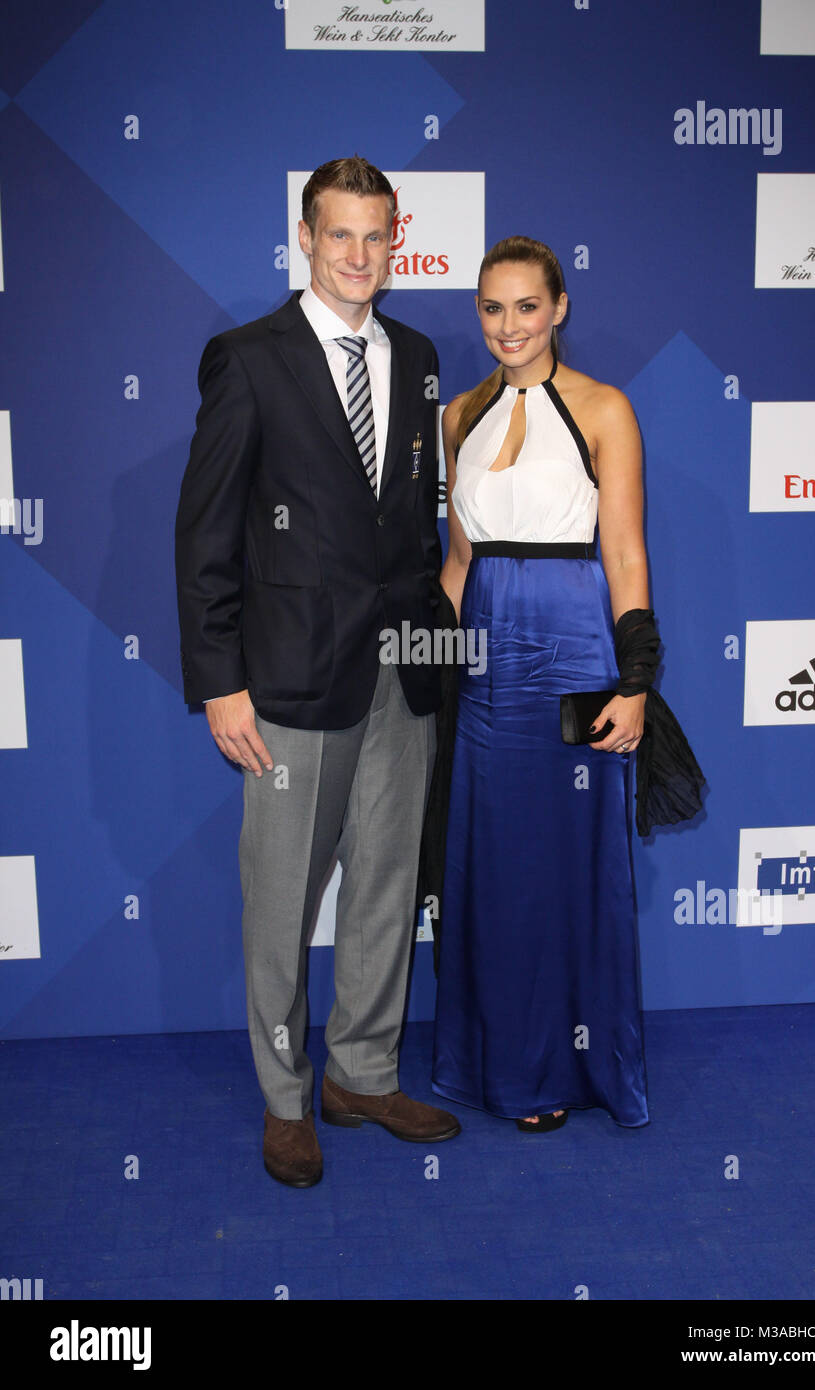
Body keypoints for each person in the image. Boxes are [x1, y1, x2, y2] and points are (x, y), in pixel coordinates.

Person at [175, 156, 460, 1188]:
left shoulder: (420, 354)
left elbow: (416, 529)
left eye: (375, 234)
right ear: (304, 236)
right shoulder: (248, 359)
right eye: (338, 234)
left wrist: (437, 650)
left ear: (397, 238)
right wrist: (220, 679)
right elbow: (204, 533)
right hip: (289, 681)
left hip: (404, 672)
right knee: (282, 900)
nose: (357, 255)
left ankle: (363, 1072)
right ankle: (289, 1097)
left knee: (387, 882)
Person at [432, 235, 652, 1133]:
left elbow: (627, 554)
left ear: (559, 307)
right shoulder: (457, 417)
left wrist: (634, 682)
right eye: (491, 307)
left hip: (571, 653)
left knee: (565, 864)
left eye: (526, 306)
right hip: (483, 663)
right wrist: (423, 672)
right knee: (493, 865)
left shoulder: (605, 409)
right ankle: (496, 1061)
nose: (508, 325)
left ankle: (564, 1069)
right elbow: (456, 563)